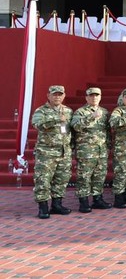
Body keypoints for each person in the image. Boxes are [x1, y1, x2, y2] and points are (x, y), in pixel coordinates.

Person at [32, 85, 74, 219]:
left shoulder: (68, 111)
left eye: (60, 94)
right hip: (46, 152)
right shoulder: (41, 111)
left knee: (61, 179)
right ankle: (43, 207)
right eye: (54, 94)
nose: (57, 97)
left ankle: (57, 205)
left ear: (64, 96)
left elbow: (71, 130)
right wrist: (56, 119)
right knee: (43, 179)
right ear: (48, 96)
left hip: (64, 152)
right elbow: (37, 125)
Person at [70, 87, 111, 213]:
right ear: (86, 98)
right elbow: (75, 126)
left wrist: (108, 146)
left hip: (101, 150)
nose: (94, 98)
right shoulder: (80, 112)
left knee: (99, 175)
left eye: (97, 96)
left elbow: (107, 131)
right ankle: (83, 201)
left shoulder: (104, 112)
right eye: (91, 96)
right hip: (86, 150)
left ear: (100, 97)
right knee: (84, 176)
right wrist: (91, 117)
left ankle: (97, 199)